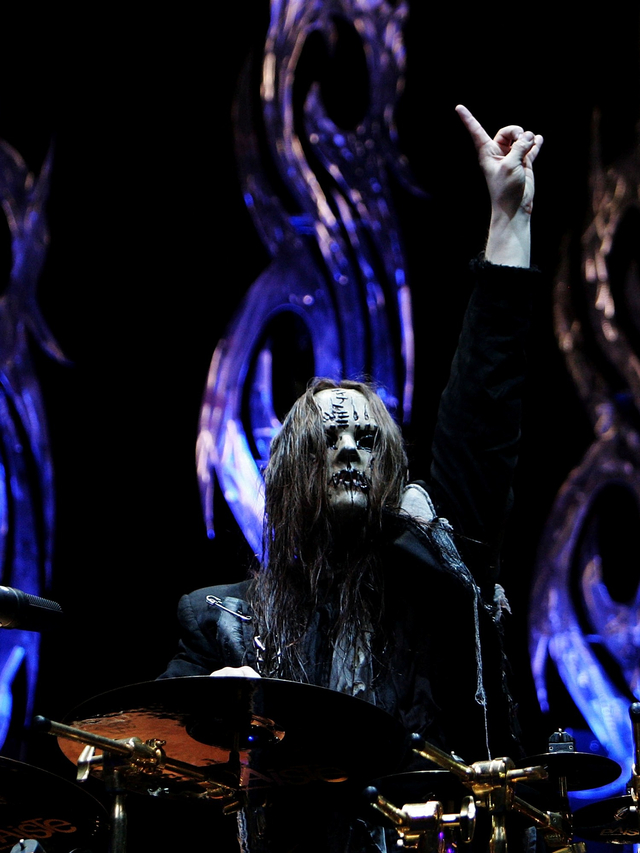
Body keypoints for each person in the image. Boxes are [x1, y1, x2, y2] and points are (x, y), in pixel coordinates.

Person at [158, 104, 544, 852]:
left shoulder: (431, 580)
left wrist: (509, 222)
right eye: (327, 439)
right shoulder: (219, 620)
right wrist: (207, 711)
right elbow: (149, 753)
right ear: (286, 475)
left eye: (367, 440)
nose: (349, 450)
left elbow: (483, 418)